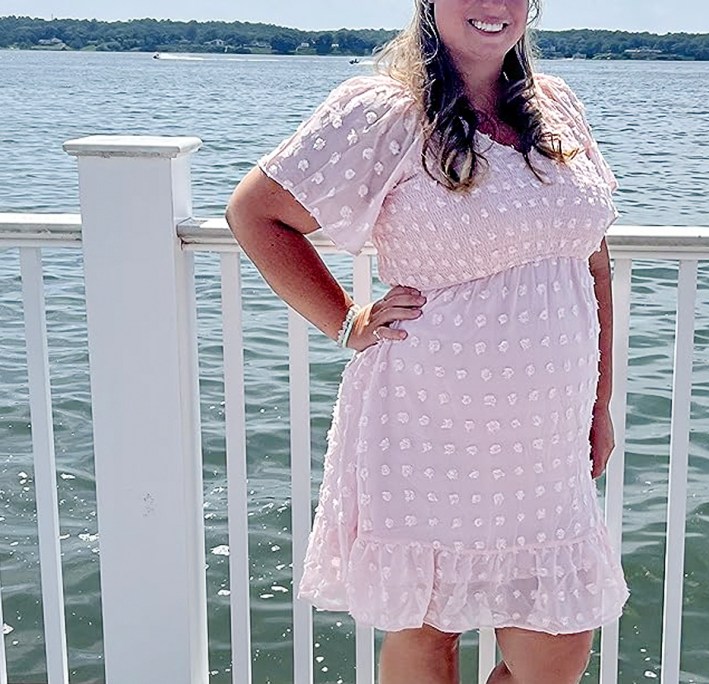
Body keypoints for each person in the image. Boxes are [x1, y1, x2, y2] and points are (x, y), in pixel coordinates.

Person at [225, 0, 629, 681]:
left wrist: (599, 403)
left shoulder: (555, 104)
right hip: (428, 423)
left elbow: (594, 260)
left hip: (545, 436)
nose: (493, 7)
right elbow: (257, 214)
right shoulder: (383, 110)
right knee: (428, 629)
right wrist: (345, 318)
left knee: (557, 647)